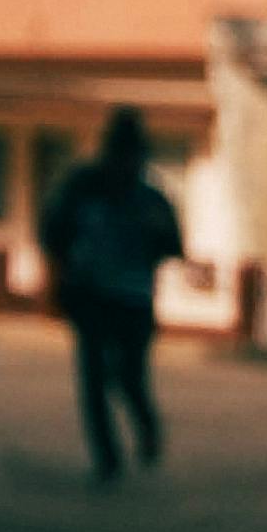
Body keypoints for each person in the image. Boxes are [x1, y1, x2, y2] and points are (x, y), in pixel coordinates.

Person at [36, 108, 185, 483]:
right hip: (91, 295)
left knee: (130, 376)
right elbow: (51, 232)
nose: (126, 165)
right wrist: (62, 273)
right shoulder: (81, 188)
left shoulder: (150, 196)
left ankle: (146, 426)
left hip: (134, 299)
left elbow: (174, 245)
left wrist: (155, 234)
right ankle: (107, 458)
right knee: (92, 378)